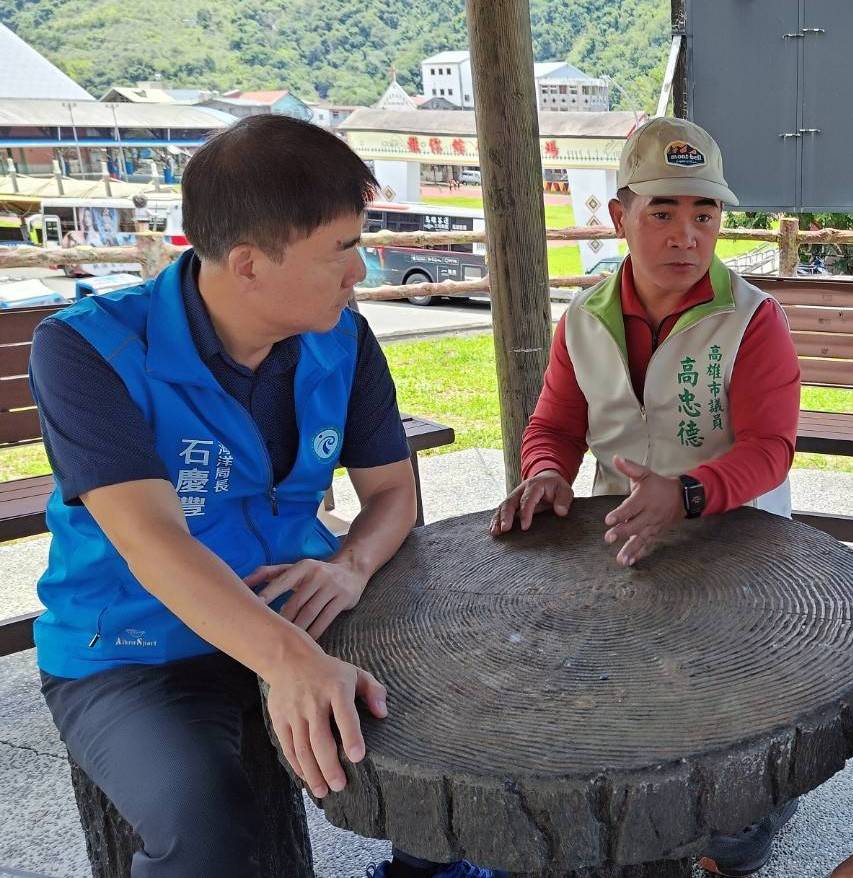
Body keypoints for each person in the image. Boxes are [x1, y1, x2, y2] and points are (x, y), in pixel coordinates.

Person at [30, 114, 497, 878]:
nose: (360, 273)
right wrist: (289, 661)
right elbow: (153, 542)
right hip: (137, 646)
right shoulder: (90, 348)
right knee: (204, 825)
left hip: (299, 603)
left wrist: (349, 567)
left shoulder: (341, 339)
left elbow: (390, 493)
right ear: (248, 264)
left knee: (459, 720)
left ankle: (426, 871)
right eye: (341, 249)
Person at [491, 117, 801, 878]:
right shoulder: (584, 318)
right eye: (662, 212)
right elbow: (555, 425)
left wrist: (688, 494)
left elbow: (770, 448)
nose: (686, 236)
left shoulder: (752, 319)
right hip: (622, 530)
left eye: (705, 214)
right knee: (631, 690)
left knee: (738, 704)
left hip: (739, 536)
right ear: (618, 216)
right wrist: (545, 471)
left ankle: (746, 822)